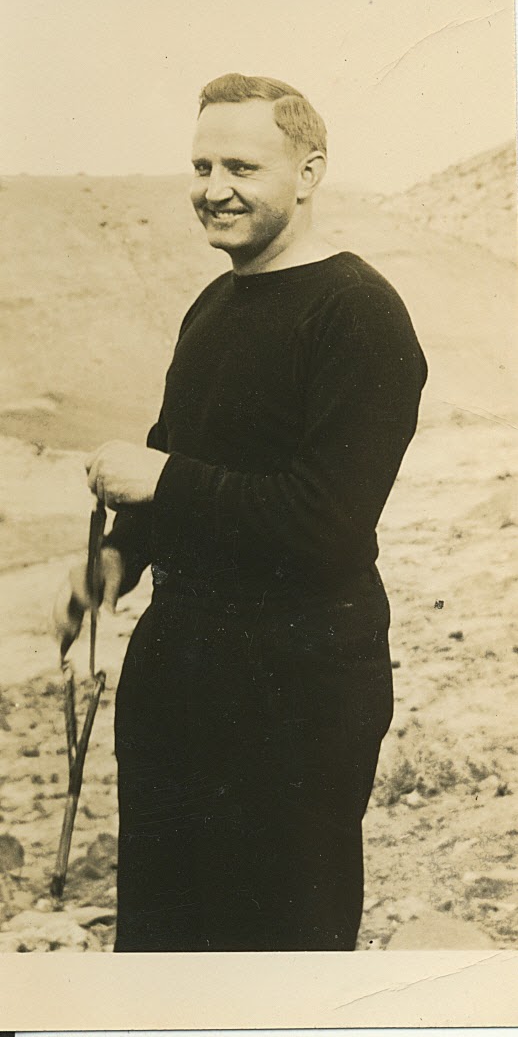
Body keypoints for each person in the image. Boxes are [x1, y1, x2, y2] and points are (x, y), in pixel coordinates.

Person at [53, 73, 428, 951]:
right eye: (201, 166)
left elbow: (327, 519)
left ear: (309, 173)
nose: (213, 188)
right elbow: (180, 453)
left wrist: (164, 480)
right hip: (177, 675)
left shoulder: (359, 312)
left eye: (242, 167)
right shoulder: (213, 305)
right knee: (162, 943)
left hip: (298, 687)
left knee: (276, 950)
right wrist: (118, 560)